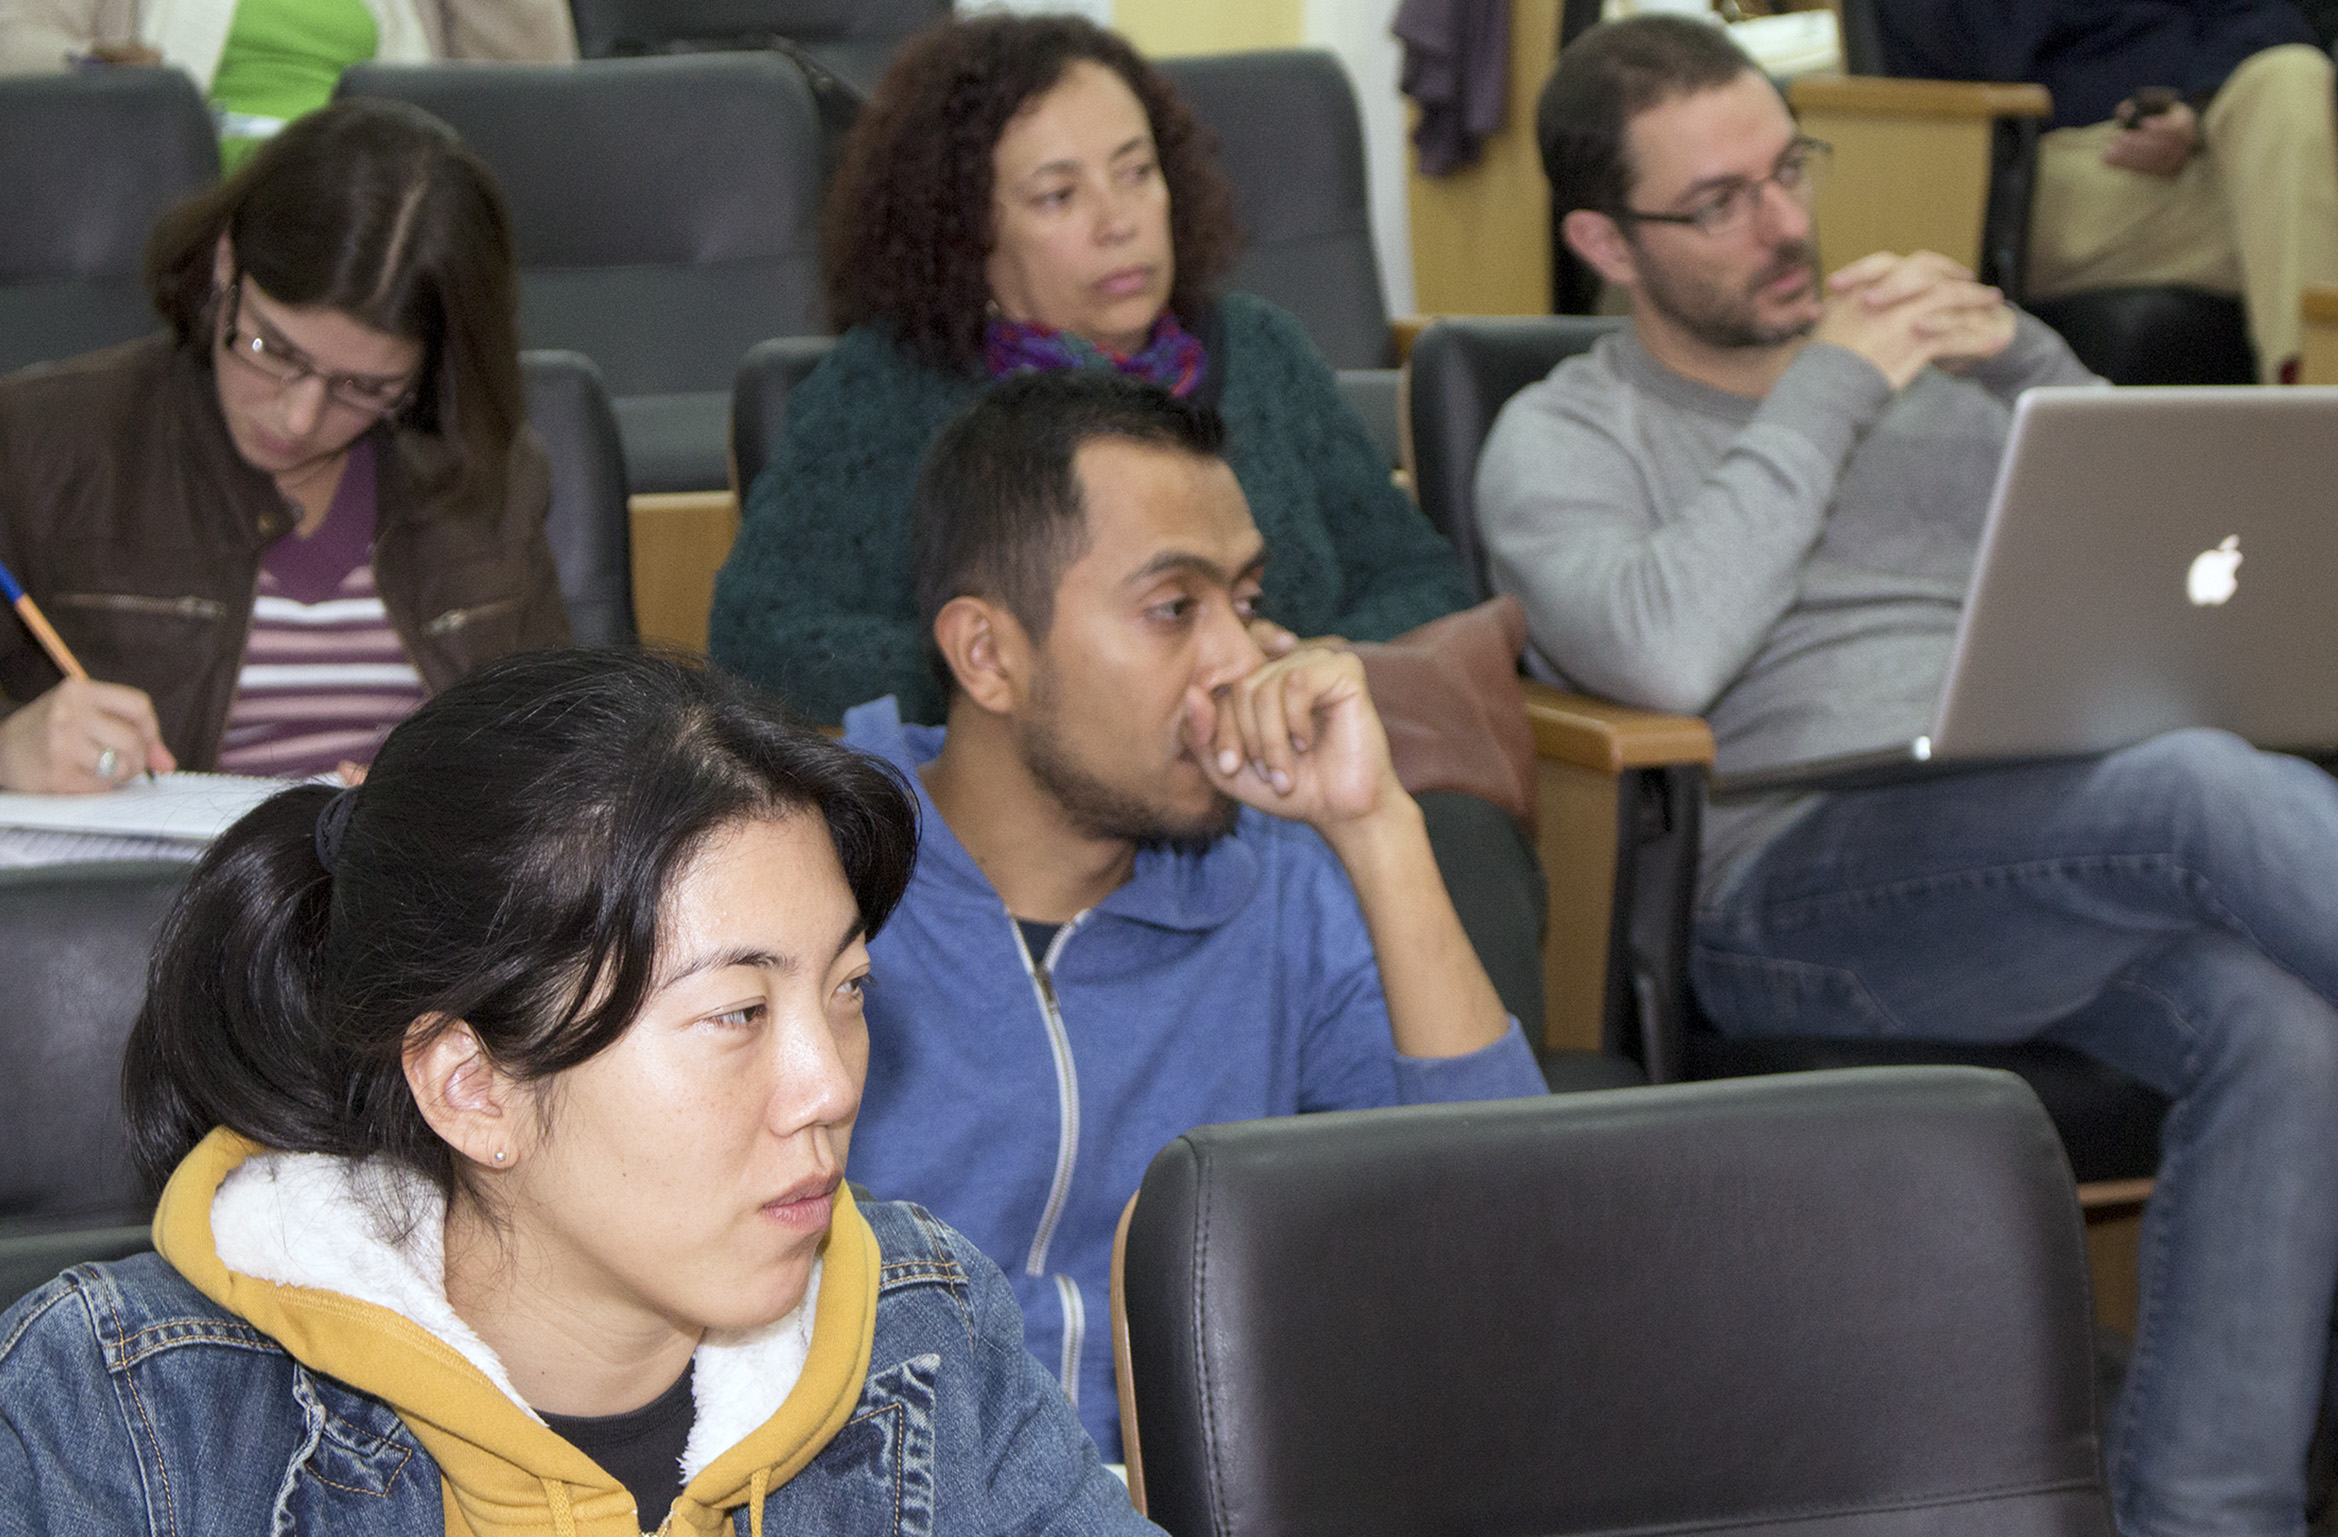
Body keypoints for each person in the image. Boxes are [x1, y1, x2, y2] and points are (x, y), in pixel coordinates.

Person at [1478, 17, 2338, 1537]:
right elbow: (1664, 655)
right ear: (1604, 241)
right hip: (1793, 891)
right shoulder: (1564, 435)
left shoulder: (1942, 384)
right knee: (2199, 784)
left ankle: (2210, 1519)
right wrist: (1824, 387)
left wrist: (2033, 362)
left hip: (2048, 844)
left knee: (2285, 1033)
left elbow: (2182, 543)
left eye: (1787, 169)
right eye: (1719, 202)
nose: (1785, 223)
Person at [0, 649, 1159, 1536]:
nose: (826, 1085)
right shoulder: (138, 1420)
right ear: (472, 1087)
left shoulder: (926, 1331)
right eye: (738, 1013)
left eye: (845, 990)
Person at [707, 10, 1549, 1040]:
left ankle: (1476, 1124)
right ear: (964, 232)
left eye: (1137, 174)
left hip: (1288, 773)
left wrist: (1288, 668)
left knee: (1450, 831)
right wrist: (1040, 682)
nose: (1120, 221)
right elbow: (763, 632)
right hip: (1049, 807)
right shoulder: (882, 392)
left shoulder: (1261, 350)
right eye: (1059, 195)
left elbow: (1416, 577)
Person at [840, 371, 1551, 1463]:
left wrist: (1374, 825)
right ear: (987, 654)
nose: (1241, 661)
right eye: (1175, 608)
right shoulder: (814, 890)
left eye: (1246, 601)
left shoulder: (1281, 883)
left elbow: (1512, 1238)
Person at [0, 99, 571, 793]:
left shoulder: (488, 470)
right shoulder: (42, 445)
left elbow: (571, 748)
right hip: (157, 865)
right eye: (273, 349)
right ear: (226, 261)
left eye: (363, 386)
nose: (298, 417)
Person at [1872, 0, 2338, 383]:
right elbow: (1976, 52)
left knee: (2292, 75)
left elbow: (2268, 20)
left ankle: (2314, 395)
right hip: (2039, 162)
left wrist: (2194, 111)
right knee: (2302, 199)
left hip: (2208, 141)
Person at [0, 0, 575, 170]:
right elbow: (6, 49)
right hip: (182, 191)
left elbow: (535, 92)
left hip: (370, 191)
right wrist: (103, 75)